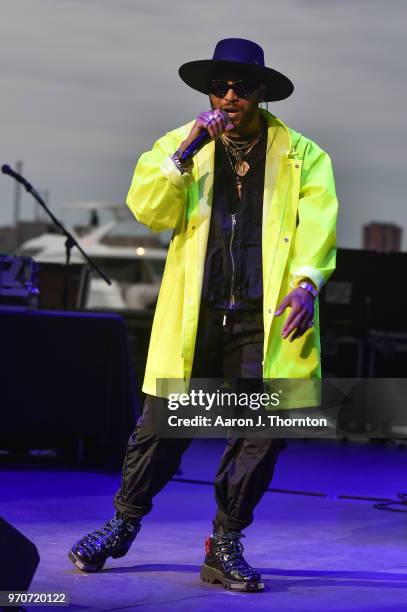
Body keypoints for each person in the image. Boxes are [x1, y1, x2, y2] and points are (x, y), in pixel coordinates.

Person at [68, 38, 338, 593]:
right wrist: (188, 149)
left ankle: (226, 544)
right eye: (220, 86)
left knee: (262, 431)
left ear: (262, 93)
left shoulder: (302, 155)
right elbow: (148, 209)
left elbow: (318, 226)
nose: (229, 96)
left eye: (241, 87)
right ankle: (121, 525)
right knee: (161, 426)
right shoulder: (181, 144)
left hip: (263, 318)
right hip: (198, 313)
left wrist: (308, 283)